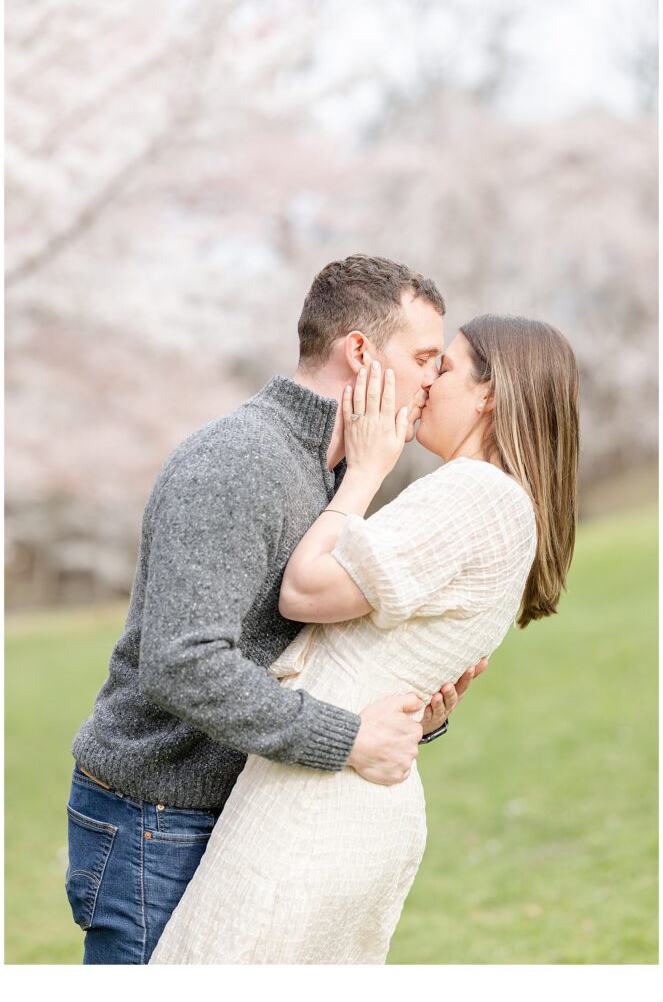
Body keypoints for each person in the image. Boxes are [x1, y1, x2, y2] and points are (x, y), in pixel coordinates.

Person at [65, 255, 486, 964]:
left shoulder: (338, 472)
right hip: (155, 822)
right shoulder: (238, 461)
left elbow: (307, 651)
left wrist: (411, 714)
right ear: (359, 352)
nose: (431, 378)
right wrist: (348, 740)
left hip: (240, 815)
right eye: (421, 357)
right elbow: (183, 662)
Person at [149, 312, 579, 964]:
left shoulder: (474, 492)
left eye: (446, 366)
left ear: (490, 393)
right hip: (348, 794)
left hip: (315, 808)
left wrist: (365, 471)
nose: (427, 384)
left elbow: (305, 591)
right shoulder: (499, 502)